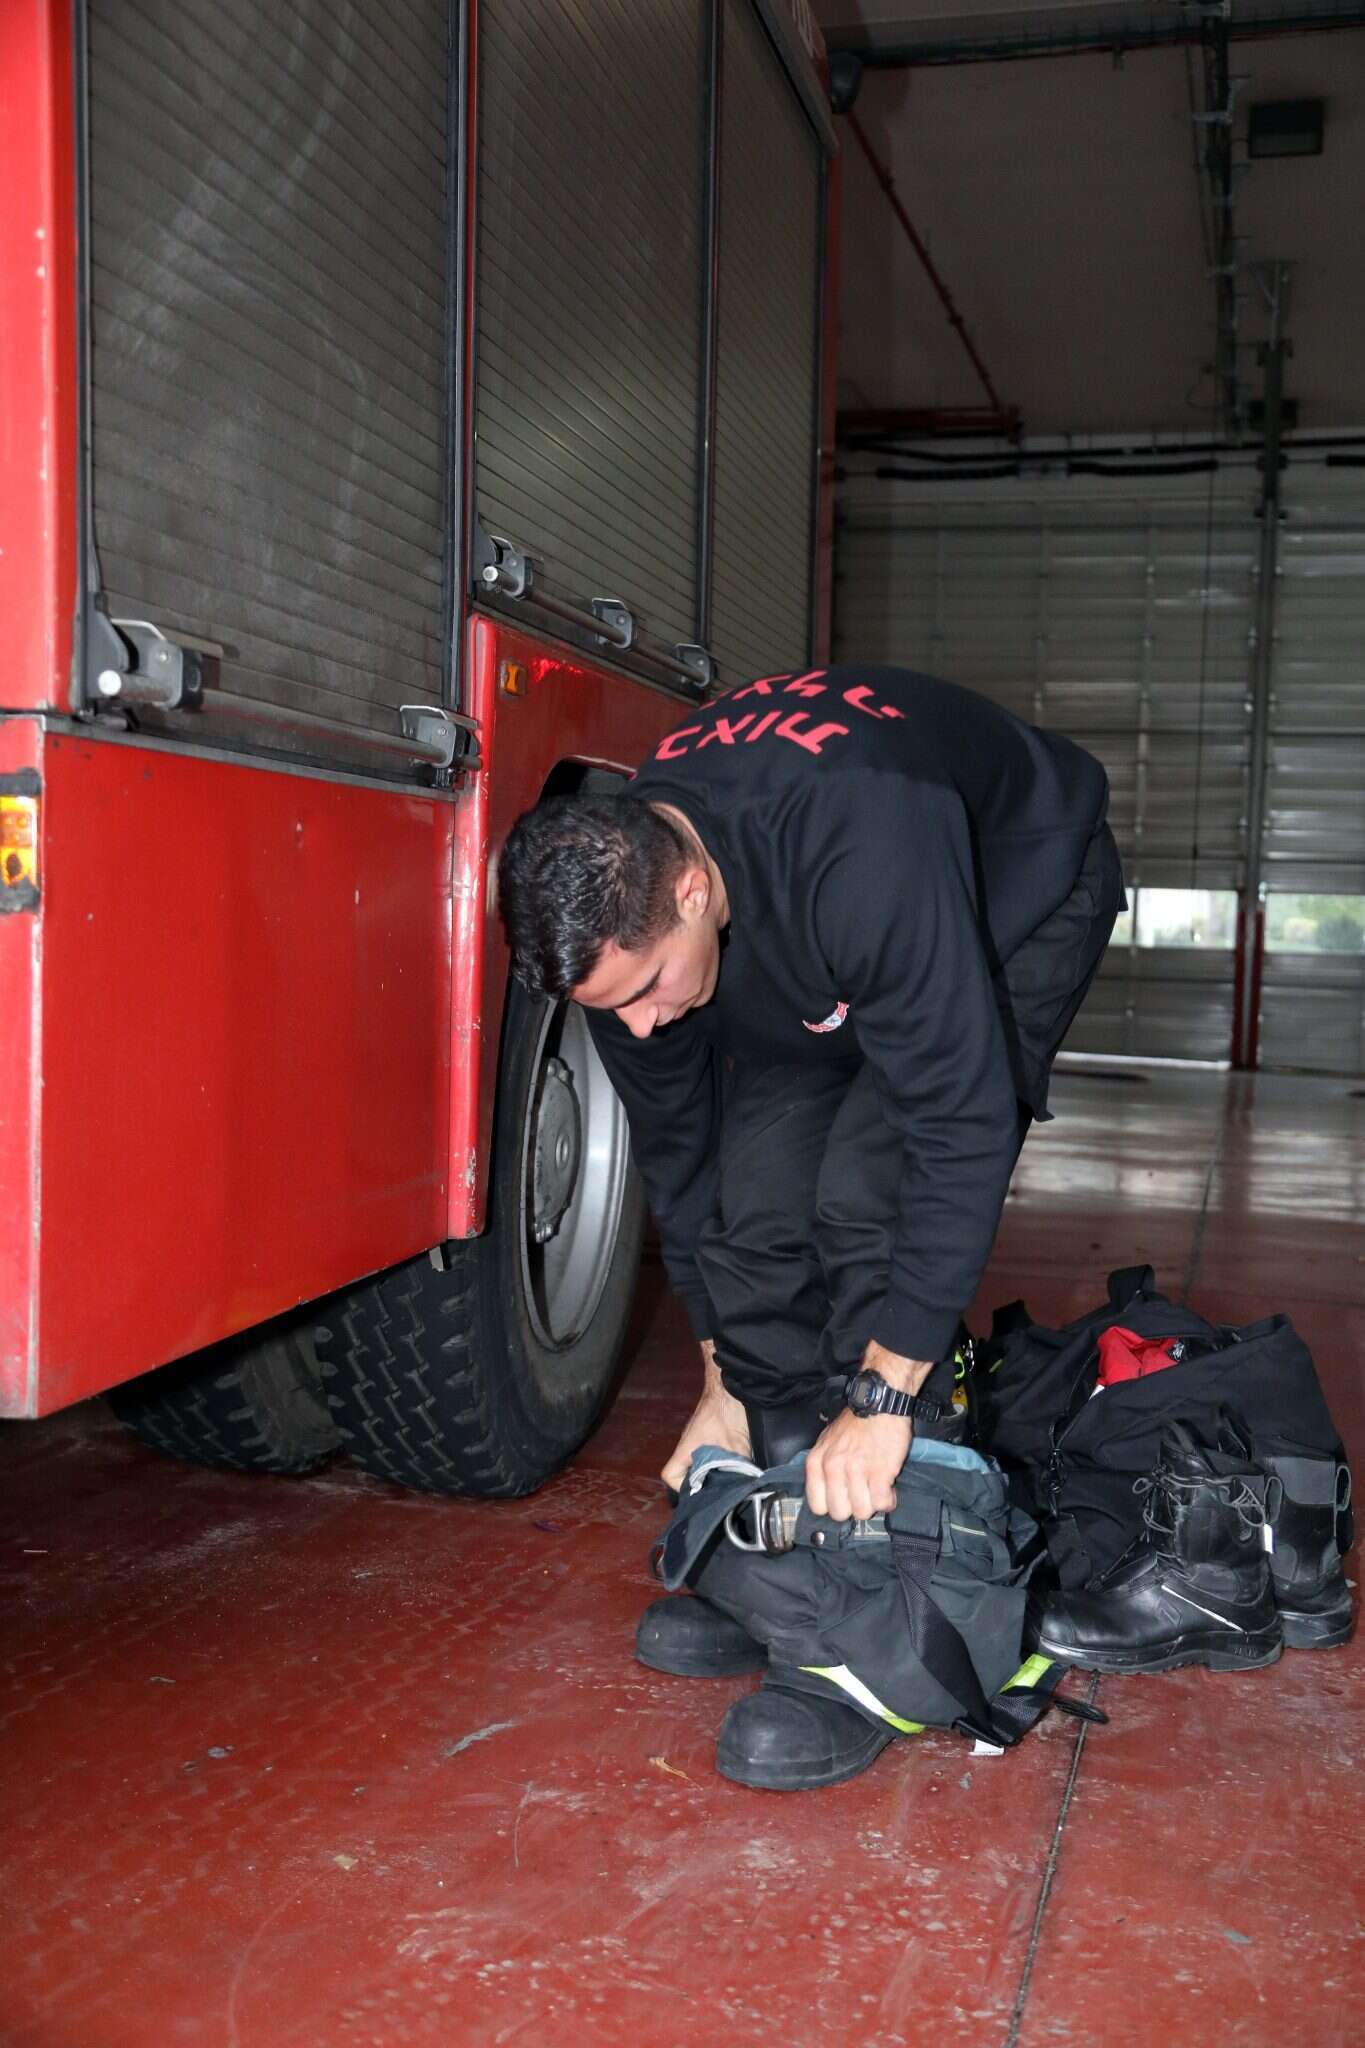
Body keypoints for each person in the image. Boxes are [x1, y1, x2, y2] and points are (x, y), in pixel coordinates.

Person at [498, 663, 1123, 1784]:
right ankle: (799, 1556)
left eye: (641, 992)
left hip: (1017, 887)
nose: (637, 1029)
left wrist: (883, 1393)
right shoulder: (635, 934)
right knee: (761, 1188)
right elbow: (689, 1173)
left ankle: (894, 1610)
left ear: (688, 888)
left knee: (866, 1189)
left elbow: (958, 1127)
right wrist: (722, 1381)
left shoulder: (861, 841)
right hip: (823, 921)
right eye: (608, 1012)